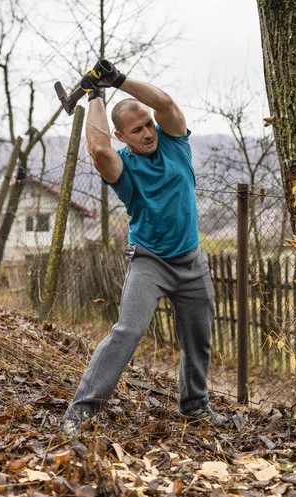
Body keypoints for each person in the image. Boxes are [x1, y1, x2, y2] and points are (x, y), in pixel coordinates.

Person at [63, 60, 227, 436]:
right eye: (137, 130)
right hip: (149, 261)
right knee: (128, 330)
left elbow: (165, 104)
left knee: (198, 337)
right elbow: (98, 148)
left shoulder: (176, 145)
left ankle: (195, 406)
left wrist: (118, 79)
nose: (148, 132)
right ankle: (81, 412)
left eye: (148, 124)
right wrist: (95, 96)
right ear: (124, 137)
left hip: (192, 260)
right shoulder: (123, 168)